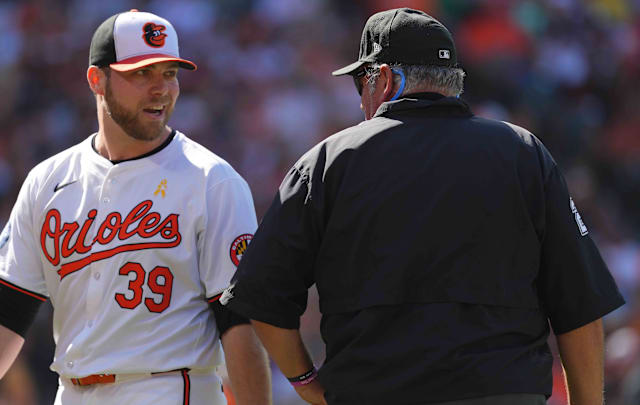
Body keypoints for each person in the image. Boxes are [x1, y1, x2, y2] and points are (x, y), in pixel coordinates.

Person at [223, 7, 625, 405]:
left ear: (383, 79)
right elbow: (580, 305)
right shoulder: (523, 153)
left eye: (359, 83)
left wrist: (307, 380)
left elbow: (263, 297)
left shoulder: (328, 161)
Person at [0, 9, 271, 405]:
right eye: (141, 73)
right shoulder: (48, 181)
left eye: (169, 73)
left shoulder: (212, 181)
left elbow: (239, 323)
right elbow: (6, 311)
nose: (161, 89)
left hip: (166, 388)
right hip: (72, 391)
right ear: (97, 79)